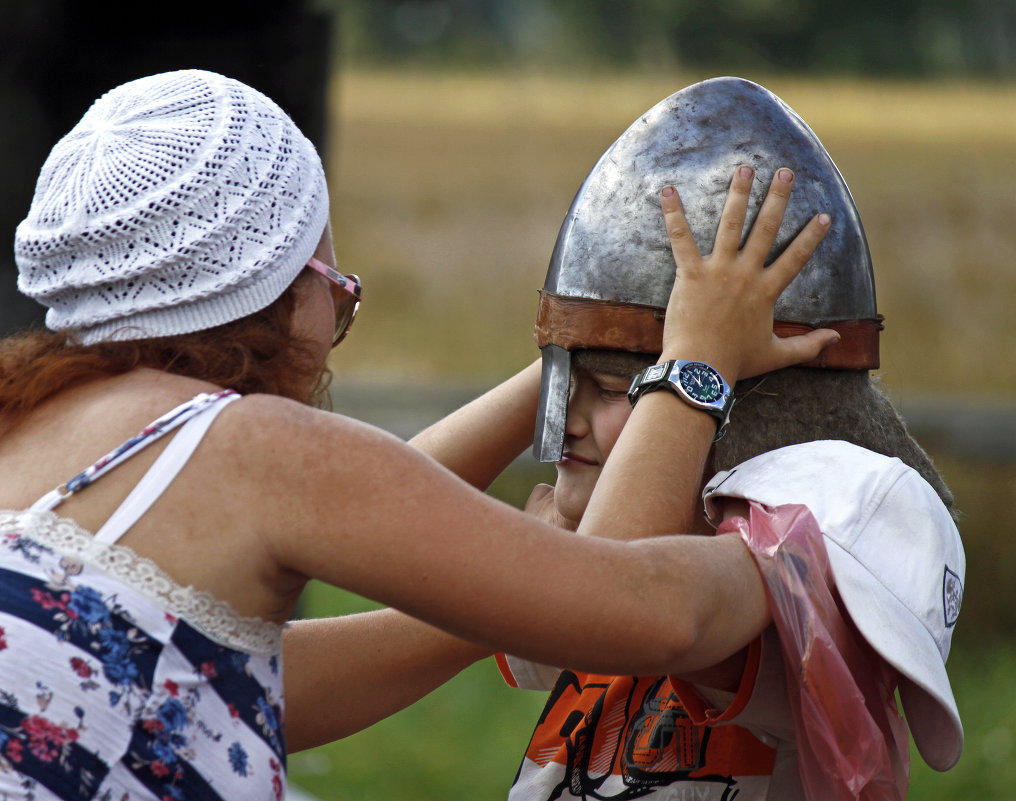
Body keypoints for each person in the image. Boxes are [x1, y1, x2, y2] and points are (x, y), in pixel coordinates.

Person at [0, 70, 836, 800]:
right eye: (336, 285)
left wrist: (575, 347)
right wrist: (702, 373)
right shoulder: (253, 451)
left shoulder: (38, 427)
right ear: (280, 291)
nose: (337, 316)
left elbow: (238, 686)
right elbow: (640, 613)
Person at [494, 78, 965, 801]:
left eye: (618, 391)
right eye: (569, 382)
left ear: (741, 413)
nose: (571, 420)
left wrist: (693, 361)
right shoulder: (574, 538)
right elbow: (379, 516)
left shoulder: (776, 601)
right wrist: (587, 335)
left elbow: (604, 596)